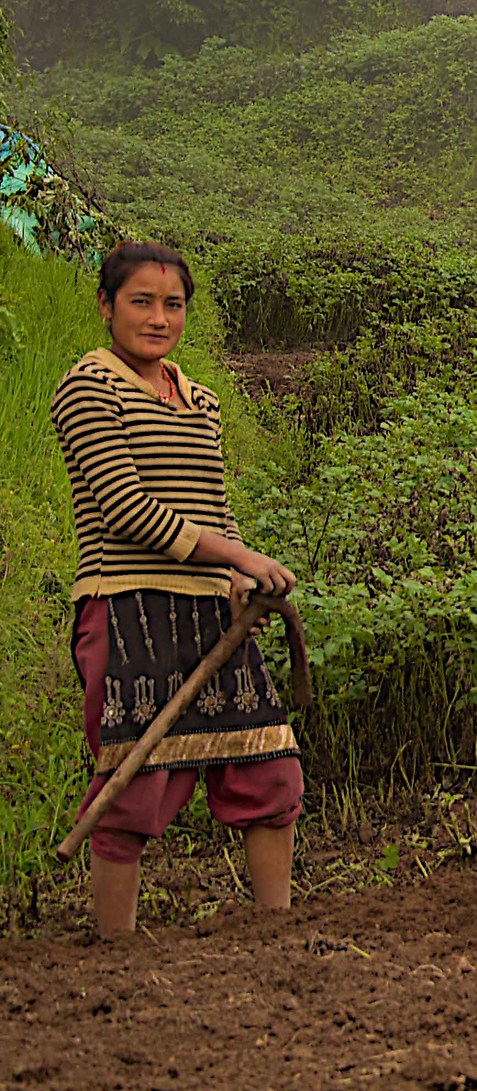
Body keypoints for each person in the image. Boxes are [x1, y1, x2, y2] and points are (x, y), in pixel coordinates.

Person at [51, 241, 302, 935]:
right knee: (132, 786)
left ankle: (273, 933)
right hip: (128, 605)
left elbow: (212, 507)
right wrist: (240, 554)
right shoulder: (89, 388)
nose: (158, 319)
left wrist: (232, 584)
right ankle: (115, 951)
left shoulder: (200, 400)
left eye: (173, 305)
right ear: (106, 307)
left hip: (207, 611)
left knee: (268, 767)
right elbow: (125, 509)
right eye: (141, 302)